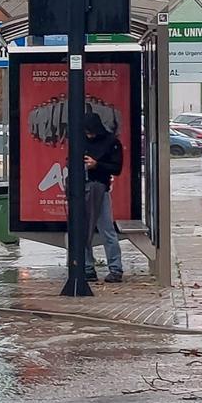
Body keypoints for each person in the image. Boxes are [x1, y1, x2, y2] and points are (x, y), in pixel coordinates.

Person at [83, 112, 124, 282]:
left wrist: (97, 165)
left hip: (100, 188)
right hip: (81, 188)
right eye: (86, 132)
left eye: (91, 132)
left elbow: (116, 168)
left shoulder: (111, 142)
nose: (89, 135)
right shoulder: (80, 140)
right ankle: (87, 268)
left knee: (107, 229)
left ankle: (115, 269)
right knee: (81, 231)